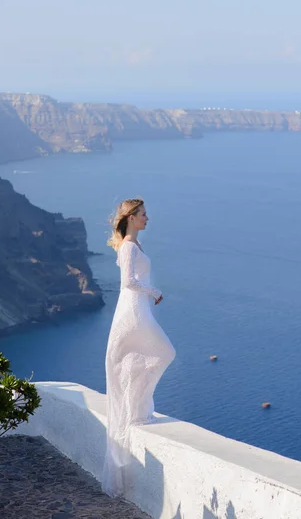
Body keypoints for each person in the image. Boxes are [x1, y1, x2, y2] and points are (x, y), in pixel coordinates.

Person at [102, 198, 176, 497]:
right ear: (131, 218)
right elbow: (129, 282)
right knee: (164, 352)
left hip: (138, 309)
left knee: (141, 357)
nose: (148, 218)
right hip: (133, 309)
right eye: (143, 214)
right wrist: (154, 291)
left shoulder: (131, 245)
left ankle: (137, 409)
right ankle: (137, 410)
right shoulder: (130, 247)